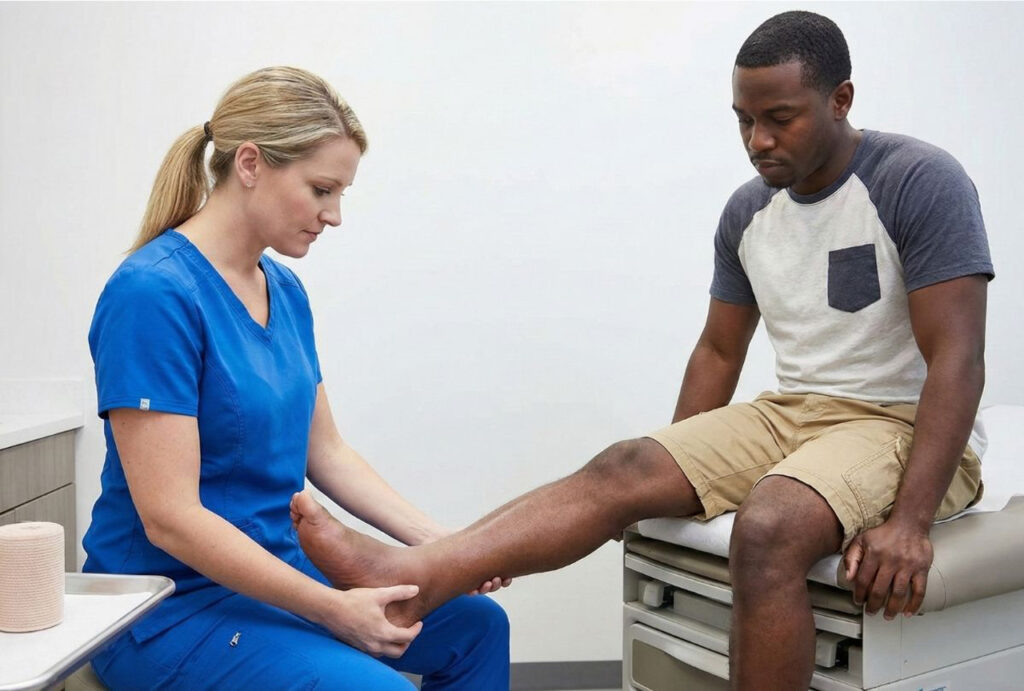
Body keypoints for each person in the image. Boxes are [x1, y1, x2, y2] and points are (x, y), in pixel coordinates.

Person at [288, 11, 993, 691]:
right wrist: (671, 471)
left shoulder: (917, 181)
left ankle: (409, 572)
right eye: (744, 121)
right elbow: (719, 351)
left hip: (897, 418)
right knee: (625, 465)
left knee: (771, 524)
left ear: (841, 99)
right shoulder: (749, 211)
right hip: (794, 412)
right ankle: (410, 576)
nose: (758, 140)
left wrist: (908, 522)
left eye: (780, 118)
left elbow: (957, 358)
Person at [83, 66, 509, 690]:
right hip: (170, 606)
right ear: (250, 164)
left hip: (278, 573)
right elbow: (169, 517)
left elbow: (327, 451)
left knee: (477, 627)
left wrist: (446, 548)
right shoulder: (153, 295)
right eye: (321, 189)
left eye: (341, 194)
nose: (334, 215)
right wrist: (333, 609)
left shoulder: (283, 290)